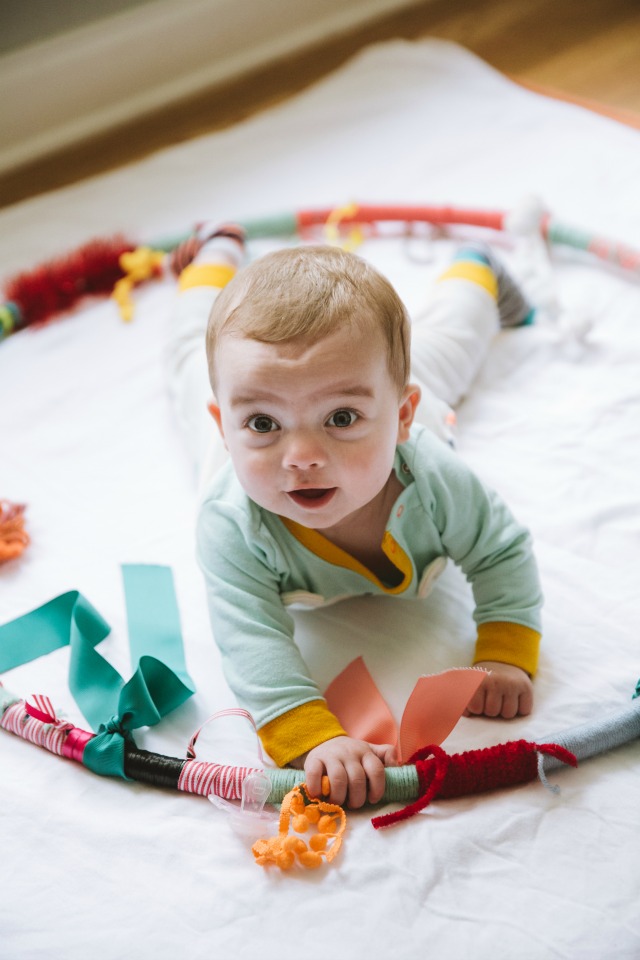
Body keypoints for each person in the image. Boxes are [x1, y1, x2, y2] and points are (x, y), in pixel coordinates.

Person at [166, 225, 542, 810]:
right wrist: (312, 735)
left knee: (449, 342)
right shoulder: (231, 525)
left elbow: (501, 550)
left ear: (400, 414)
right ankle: (213, 257)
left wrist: (504, 646)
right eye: (263, 425)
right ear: (228, 426)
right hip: (293, 414)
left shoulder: (435, 482)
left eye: (341, 417)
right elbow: (250, 637)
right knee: (191, 354)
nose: (301, 458)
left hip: (419, 421)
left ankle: (477, 267)